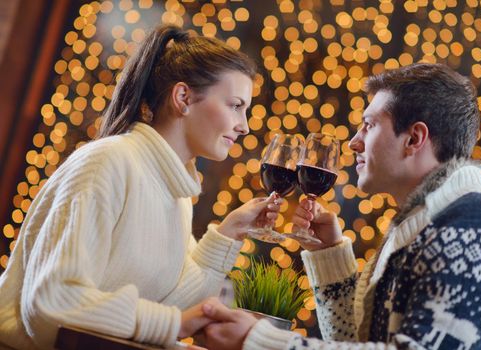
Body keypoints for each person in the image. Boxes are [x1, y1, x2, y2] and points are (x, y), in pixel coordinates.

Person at [200, 63, 481, 349]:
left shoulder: (477, 233)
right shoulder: (422, 223)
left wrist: (261, 340)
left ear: (414, 139)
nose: (354, 142)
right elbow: (354, 342)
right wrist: (330, 254)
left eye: (368, 125)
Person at [0, 25, 282, 350]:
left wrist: (228, 234)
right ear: (183, 98)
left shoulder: (175, 195)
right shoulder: (108, 162)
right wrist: (173, 324)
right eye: (235, 105)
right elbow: (53, 303)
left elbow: (169, 308)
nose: (244, 126)